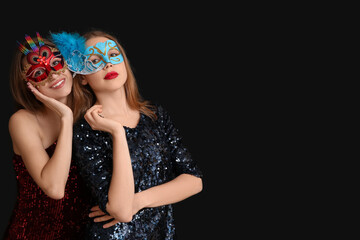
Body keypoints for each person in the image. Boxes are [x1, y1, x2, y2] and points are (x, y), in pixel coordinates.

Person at [51, 30, 203, 239]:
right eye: (95, 60)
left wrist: (138, 201)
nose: (107, 64)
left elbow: (194, 181)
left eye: (113, 55)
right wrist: (117, 133)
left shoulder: (155, 115)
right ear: (83, 77)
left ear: (124, 62)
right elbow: (121, 211)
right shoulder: (85, 130)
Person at [3, 32, 92, 239]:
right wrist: (66, 118)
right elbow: (55, 187)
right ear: (28, 84)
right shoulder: (23, 121)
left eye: (56, 64)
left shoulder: (93, 110)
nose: (53, 75)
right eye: (39, 72)